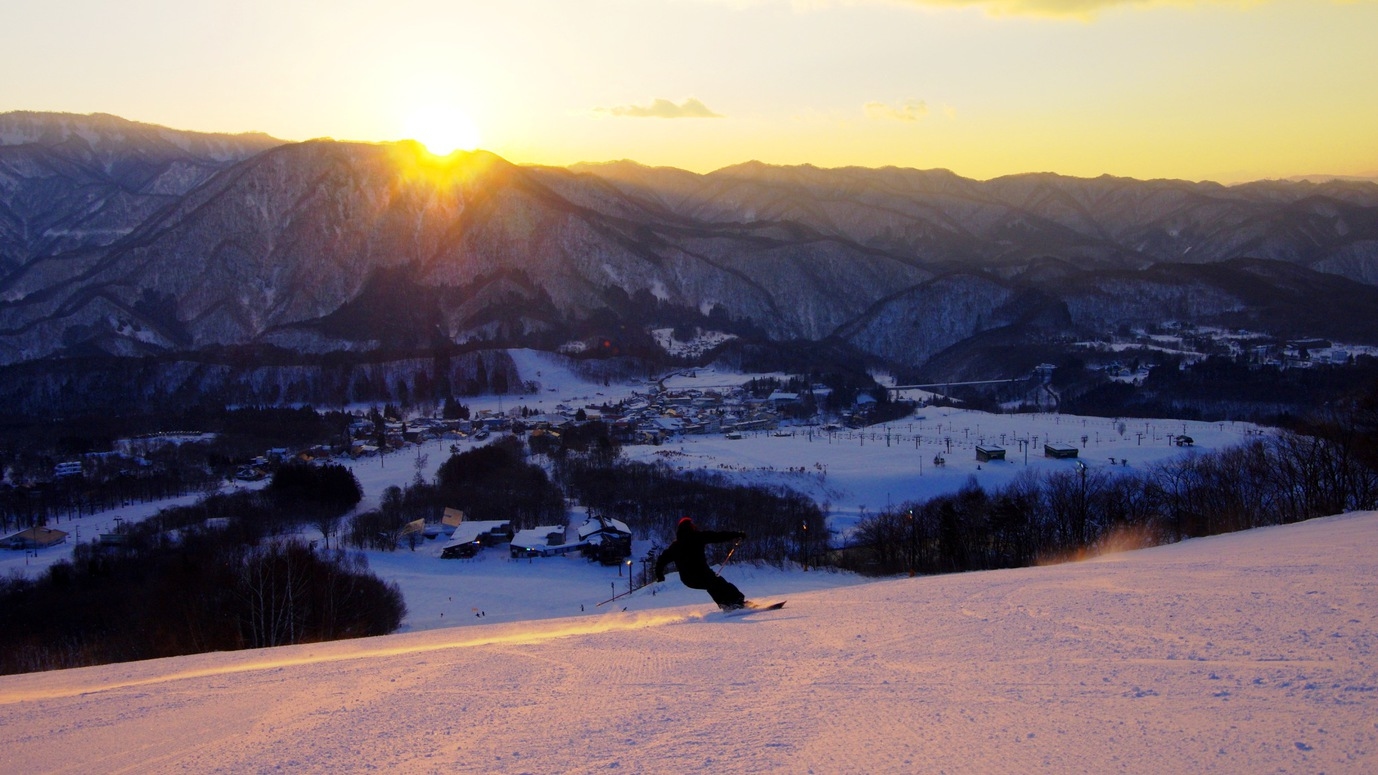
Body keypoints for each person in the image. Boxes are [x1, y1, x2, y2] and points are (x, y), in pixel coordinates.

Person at [654, 517, 748, 610]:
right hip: (702, 574)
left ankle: (731, 604)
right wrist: (737, 534)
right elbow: (718, 536)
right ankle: (734, 604)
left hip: (688, 579)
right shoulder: (698, 537)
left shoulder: (675, 546)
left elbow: (661, 560)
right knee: (717, 584)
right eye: (692, 525)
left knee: (715, 584)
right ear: (690, 527)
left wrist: (660, 575)